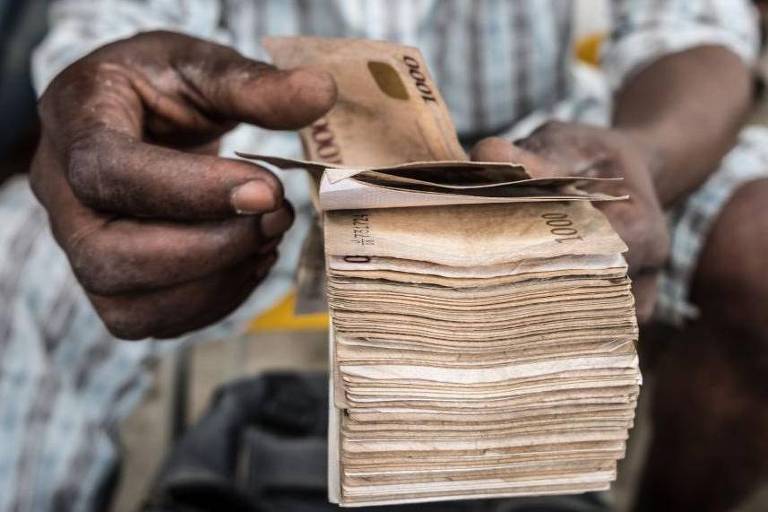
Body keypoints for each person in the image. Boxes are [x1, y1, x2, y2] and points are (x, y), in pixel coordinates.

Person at [0, 0, 766, 510]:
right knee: (28, 276)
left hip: (551, 147)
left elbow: (693, 26)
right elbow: (116, 25)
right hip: (248, 160)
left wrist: (643, 154)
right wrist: (105, 113)